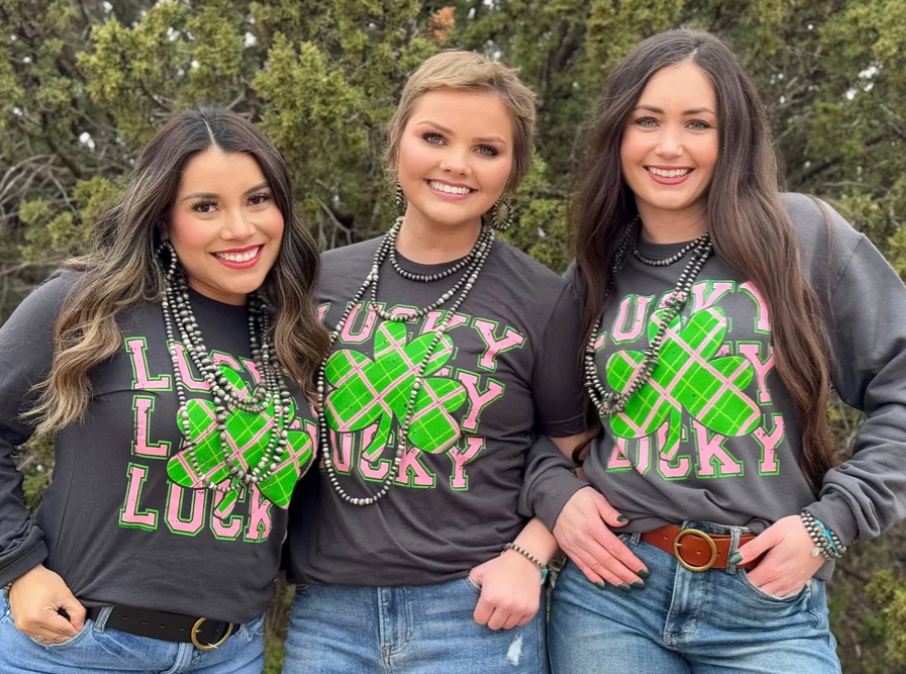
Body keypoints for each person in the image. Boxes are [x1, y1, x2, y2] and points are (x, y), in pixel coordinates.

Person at [522, 28, 906, 673]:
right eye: (648, 120)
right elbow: (537, 424)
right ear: (619, 134)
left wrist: (835, 518)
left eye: (698, 123)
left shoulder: (803, 237)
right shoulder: (595, 268)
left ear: (732, 139)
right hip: (614, 593)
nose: (669, 146)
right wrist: (559, 497)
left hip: (765, 602)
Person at [281, 51, 586, 674]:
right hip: (327, 620)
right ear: (396, 144)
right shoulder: (317, 281)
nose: (456, 164)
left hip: (475, 615)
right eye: (434, 137)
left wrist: (530, 558)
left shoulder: (545, 300)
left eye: (487, 149)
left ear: (513, 170)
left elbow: (576, 452)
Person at [0, 108, 327, 674]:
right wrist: (17, 567)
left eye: (257, 199)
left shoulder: (295, 332)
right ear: (161, 219)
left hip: (231, 652)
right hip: (77, 646)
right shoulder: (88, 305)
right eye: (206, 207)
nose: (240, 229)